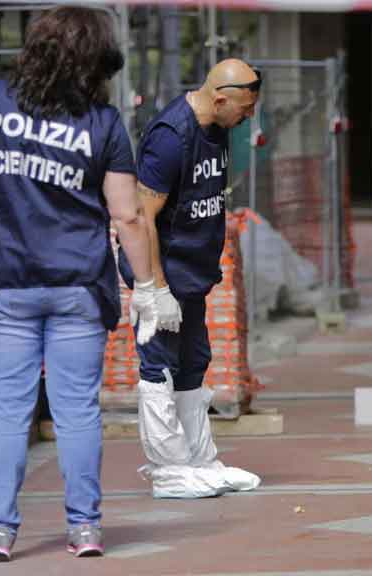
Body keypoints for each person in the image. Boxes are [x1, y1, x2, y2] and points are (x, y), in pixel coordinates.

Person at [0, 7, 158, 561]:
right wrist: (147, 287)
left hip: (5, 284)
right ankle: (85, 528)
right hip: (79, 286)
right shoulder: (103, 122)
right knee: (77, 411)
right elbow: (128, 215)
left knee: (6, 410)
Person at [118, 59, 262, 499]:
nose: (248, 117)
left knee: (194, 362)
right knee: (158, 367)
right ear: (219, 99)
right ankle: (169, 472)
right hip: (163, 274)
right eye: (244, 109)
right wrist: (155, 289)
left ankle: (199, 460)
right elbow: (143, 216)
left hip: (193, 273)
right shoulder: (170, 137)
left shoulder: (217, 129)